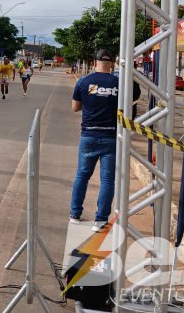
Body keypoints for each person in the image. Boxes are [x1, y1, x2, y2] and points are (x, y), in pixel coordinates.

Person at [69, 49, 119, 231]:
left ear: (94, 62)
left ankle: (75, 214)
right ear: (111, 63)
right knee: (107, 180)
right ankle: (100, 221)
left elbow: (75, 107)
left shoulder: (83, 81)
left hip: (88, 136)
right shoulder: (118, 83)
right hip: (111, 137)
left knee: (82, 175)